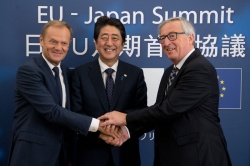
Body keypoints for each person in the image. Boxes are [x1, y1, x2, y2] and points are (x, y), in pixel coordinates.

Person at [99, 17, 232, 166]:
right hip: (173, 156)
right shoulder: (170, 71)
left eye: (172, 36)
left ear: (191, 38)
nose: (166, 43)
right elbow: (159, 113)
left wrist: (125, 118)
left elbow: (169, 109)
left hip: (199, 156)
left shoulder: (199, 68)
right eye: (162, 38)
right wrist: (128, 132)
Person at [8, 20, 119, 166]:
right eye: (53, 41)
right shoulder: (29, 71)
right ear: (41, 40)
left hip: (63, 155)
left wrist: (101, 133)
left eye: (64, 43)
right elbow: (52, 112)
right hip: (33, 155)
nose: (58, 48)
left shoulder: (67, 73)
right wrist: (99, 125)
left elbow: (72, 114)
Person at [71, 16, 147, 166]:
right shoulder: (80, 74)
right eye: (104, 37)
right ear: (95, 42)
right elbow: (75, 114)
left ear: (123, 44)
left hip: (126, 155)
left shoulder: (135, 73)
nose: (109, 43)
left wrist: (123, 131)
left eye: (115, 38)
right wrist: (100, 133)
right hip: (90, 156)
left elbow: (142, 113)